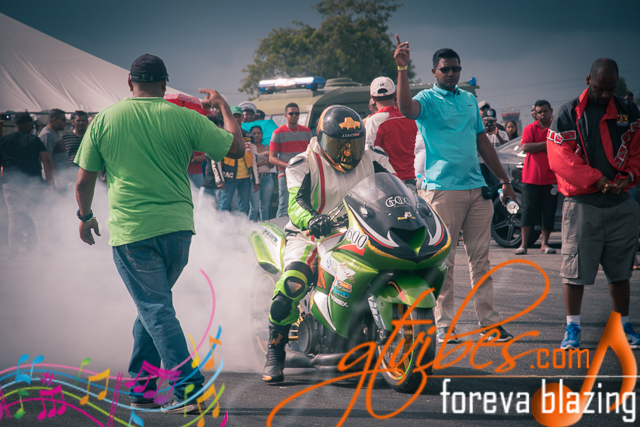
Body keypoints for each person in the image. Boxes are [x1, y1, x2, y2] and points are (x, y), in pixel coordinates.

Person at [74, 54, 245, 412]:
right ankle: (141, 388)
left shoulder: (105, 119)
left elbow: (83, 181)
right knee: (153, 307)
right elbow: (236, 147)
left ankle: (188, 388)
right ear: (165, 84)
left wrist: (86, 216)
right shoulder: (185, 116)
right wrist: (224, 106)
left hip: (133, 231)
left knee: (155, 308)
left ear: (129, 83)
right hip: (178, 230)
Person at [394, 36, 517, 343]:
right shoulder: (427, 99)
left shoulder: (469, 100)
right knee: (443, 262)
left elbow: (482, 141)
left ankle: (489, 324)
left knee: (481, 260)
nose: (451, 73)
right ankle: (444, 326)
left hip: (476, 189)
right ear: (434, 72)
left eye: (455, 69)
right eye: (445, 69)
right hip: (441, 191)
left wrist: (505, 181)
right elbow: (406, 108)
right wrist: (402, 69)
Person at [262, 105, 394, 383]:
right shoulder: (302, 162)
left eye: (352, 145)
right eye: (339, 145)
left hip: (362, 232)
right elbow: (295, 204)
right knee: (292, 283)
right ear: (322, 139)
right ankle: (275, 351)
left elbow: (397, 188)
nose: (347, 152)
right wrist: (312, 219)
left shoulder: (375, 157)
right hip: (312, 235)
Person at [547, 58, 640, 350]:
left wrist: (629, 176)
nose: (605, 95)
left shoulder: (629, 111)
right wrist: (596, 180)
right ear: (588, 80)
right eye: (600, 88)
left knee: (621, 271)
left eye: (611, 90)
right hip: (582, 203)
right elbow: (559, 158)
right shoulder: (567, 113)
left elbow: (636, 150)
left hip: (619, 203)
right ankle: (572, 327)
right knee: (574, 271)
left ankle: (623, 325)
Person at [0, 112, 54, 260]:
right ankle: (44, 251)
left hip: (10, 184)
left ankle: (12, 253)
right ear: (27, 125)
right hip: (33, 183)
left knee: (14, 218)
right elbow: (46, 160)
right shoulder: (34, 140)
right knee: (40, 218)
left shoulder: (4, 140)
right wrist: (49, 183)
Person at [516, 100, 558, 255]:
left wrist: (537, 145)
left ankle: (544, 244)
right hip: (531, 178)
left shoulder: (556, 127)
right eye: (539, 112)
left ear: (551, 111)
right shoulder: (529, 128)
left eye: (545, 111)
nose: (542, 114)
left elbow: (560, 146)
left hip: (551, 178)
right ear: (535, 113)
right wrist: (547, 144)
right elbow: (526, 147)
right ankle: (523, 245)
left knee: (548, 211)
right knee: (527, 211)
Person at [365, 76, 418, 191]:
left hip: (388, 184)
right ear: (394, 95)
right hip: (410, 182)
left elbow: (369, 155)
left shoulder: (374, 121)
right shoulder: (410, 116)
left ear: (372, 98)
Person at [213, 106, 259, 215]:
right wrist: (219, 180)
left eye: (238, 116)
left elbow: (254, 158)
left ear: (242, 118)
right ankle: (221, 226)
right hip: (228, 177)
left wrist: (256, 181)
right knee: (224, 205)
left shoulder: (249, 135)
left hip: (246, 177)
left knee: (244, 207)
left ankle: (242, 226)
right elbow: (215, 159)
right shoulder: (223, 134)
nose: (236, 119)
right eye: (234, 116)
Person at [269, 103, 312, 217]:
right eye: (291, 113)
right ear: (285, 115)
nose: (294, 116)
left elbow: (311, 153)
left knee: (305, 204)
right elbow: (272, 158)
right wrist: (289, 166)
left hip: (304, 173)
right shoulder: (277, 133)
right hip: (285, 174)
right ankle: (281, 226)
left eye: (296, 113)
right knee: (284, 205)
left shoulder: (307, 132)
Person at [39, 108, 69, 190]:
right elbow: (48, 159)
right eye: (63, 119)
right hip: (54, 181)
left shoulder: (54, 132)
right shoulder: (47, 134)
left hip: (61, 178)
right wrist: (56, 179)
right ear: (55, 119)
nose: (65, 122)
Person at [249, 126, 273, 221]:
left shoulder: (267, 147)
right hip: (254, 179)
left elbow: (271, 165)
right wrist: (263, 162)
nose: (256, 135)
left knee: (265, 207)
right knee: (254, 208)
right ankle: (248, 227)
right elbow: (250, 165)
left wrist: (270, 156)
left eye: (258, 133)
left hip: (267, 177)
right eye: (254, 133)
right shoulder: (249, 149)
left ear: (262, 135)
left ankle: (265, 227)